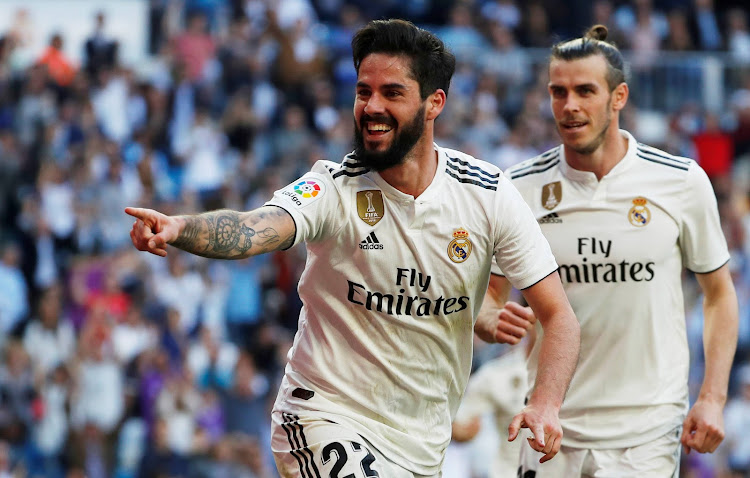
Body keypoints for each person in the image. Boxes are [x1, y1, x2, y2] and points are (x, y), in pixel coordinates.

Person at [126, 19, 580, 477]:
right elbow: (251, 230)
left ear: (433, 104)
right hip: (323, 417)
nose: (372, 106)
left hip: (419, 446)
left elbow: (559, 316)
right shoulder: (332, 187)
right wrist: (180, 227)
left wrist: (544, 403)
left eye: (392, 93)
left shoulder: (488, 194)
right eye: (364, 91)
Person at [484, 24, 738, 477]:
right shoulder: (520, 187)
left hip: (646, 429)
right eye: (557, 92)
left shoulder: (679, 181)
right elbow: (491, 294)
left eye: (585, 90)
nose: (570, 106)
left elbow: (719, 293)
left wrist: (713, 396)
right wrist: (486, 318)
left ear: (618, 97)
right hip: (549, 423)